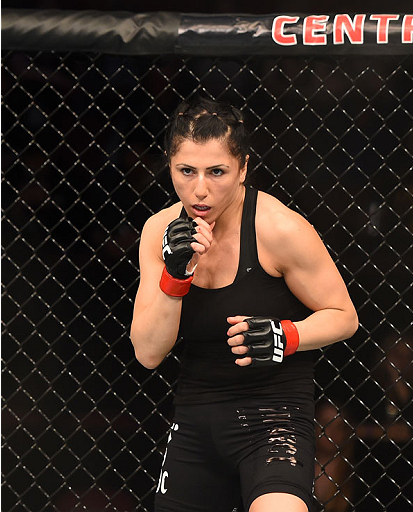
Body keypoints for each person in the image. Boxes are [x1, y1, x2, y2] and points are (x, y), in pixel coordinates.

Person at [130, 96, 359, 512]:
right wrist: (175, 276)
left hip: (275, 419)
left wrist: (286, 334)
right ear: (170, 167)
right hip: (196, 420)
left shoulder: (279, 228)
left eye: (217, 172)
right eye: (187, 171)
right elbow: (147, 352)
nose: (200, 189)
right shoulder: (158, 231)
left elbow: (344, 317)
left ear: (243, 169)